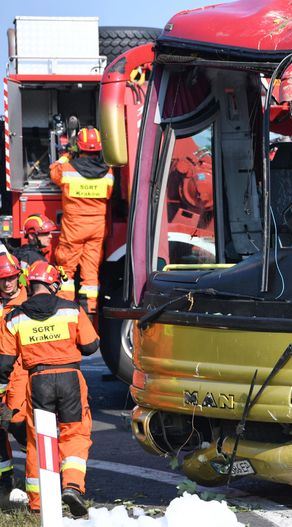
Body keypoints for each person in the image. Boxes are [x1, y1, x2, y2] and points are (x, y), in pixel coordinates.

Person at [0, 261, 98, 516]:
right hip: (70, 379)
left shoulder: (15, 316)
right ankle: (73, 486)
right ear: (53, 284)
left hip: (38, 380)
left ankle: (37, 505)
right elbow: (90, 346)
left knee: (37, 441)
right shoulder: (71, 309)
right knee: (74, 433)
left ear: (28, 285)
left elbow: (4, 363)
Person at [50, 127, 114, 312]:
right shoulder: (108, 172)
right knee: (91, 270)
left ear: (79, 147)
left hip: (74, 228)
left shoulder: (68, 168)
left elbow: (53, 171)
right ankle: (89, 308)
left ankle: (64, 306)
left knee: (67, 270)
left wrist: (67, 155)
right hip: (97, 229)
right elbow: (109, 194)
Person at [0, 254, 25, 497]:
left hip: (20, 372)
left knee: (19, 424)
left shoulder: (29, 301)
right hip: (2, 371)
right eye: (3, 280)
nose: (7, 284)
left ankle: (38, 471)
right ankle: (5, 483)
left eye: (11, 278)